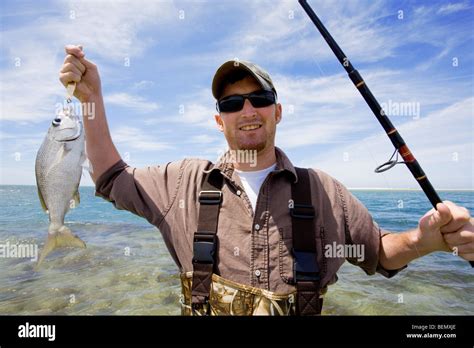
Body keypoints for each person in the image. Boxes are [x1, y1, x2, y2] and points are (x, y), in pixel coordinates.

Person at [59, 45, 474, 316]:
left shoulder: (325, 191)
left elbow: (380, 253)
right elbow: (111, 177)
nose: (248, 109)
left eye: (260, 99)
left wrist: (428, 242)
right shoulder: (182, 182)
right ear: (219, 119)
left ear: (278, 111)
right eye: (232, 103)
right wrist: (92, 100)